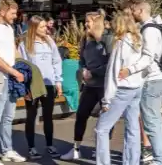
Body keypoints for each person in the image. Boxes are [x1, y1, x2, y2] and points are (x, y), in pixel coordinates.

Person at [61, 10, 113, 161]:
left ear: (97, 23)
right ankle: (76, 149)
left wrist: (94, 72)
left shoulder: (108, 39)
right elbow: (81, 57)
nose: (86, 24)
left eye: (88, 21)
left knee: (105, 119)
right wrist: (83, 68)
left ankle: (101, 150)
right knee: (81, 114)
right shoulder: (86, 39)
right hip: (89, 85)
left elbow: (112, 64)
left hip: (104, 85)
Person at [95, 10, 145, 165]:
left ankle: (103, 163)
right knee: (132, 128)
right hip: (136, 86)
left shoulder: (121, 43)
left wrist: (106, 100)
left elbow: (113, 72)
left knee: (101, 129)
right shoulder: (138, 40)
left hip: (122, 89)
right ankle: (132, 162)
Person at [123, 0, 162, 165]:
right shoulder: (154, 27)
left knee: (151, 122)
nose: (132, 13)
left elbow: (148, 57)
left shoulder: (149, 30)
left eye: (134, 10)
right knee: (153, 121)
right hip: (156, 79)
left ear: (141, 10)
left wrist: (130, 69)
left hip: (151, 79)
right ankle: (159, 158)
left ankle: (159, 159)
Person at [0, 0, 27, 164]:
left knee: (8, 117)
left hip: (12, 77)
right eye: (13, 13)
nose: (15, 16)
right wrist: (13, 71)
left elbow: (13, 50)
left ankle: (7, 150)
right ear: (2, 11)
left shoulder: (9, 28)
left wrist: (24, 67)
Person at [18, 16, 63, 159]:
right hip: (32, 85)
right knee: (31, 116)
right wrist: (24, 86)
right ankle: (31, 147)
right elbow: (22, 65)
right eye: (42, 27)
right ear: (34, 28)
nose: (46, 29)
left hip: (48, 83)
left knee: (48, 116)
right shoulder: (25, 43)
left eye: (46, 26)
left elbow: (56, 62)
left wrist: (58, 82)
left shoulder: (50, 42)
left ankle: (50, 145)